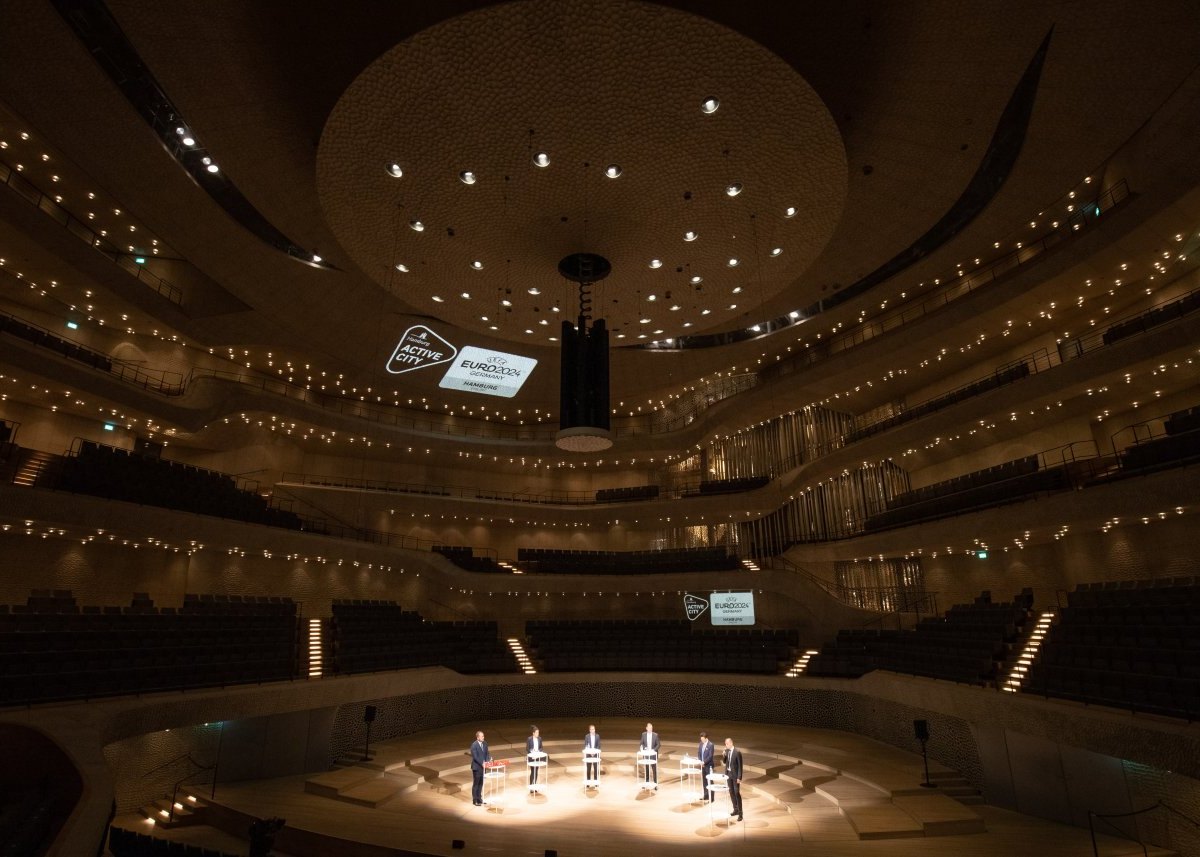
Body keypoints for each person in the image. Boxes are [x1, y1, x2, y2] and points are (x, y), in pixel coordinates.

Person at [723, 737, 743, 821]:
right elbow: (724, 762)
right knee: (731, 792)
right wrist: (724, 754)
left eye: (727, 744)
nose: (726, 745)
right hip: (729, 775)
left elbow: (740, 766)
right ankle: (735, 809)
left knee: (736, 793)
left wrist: (739, 777)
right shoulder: (727, 751)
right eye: (725, 744)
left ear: (731, 743)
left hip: (735, 776)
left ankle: (740, 813)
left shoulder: (737, 752)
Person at [470, 731, 490, 806]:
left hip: (484, 767)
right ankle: (475, 800)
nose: (483, 737)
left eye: (483, 736)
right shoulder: (474, 745)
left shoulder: (485, 743)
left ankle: (479, 798)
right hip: (477, 767)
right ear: (477, 737)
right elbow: (475, 757)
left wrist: (488, 761)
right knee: (476, 784)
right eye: (481, 736)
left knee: (481, 783)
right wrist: (482, 763)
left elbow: (487, 753)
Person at [639, 722, 661, 788]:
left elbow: (659, 744)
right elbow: (641, 743)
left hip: (653, 755)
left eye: (651, 728)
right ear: (646, 728)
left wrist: (653, 750)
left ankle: (655, 784)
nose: (650, 729)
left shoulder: (655, 735)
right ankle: (647, 783)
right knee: (647, 769)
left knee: (654, 770)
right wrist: (642, 748)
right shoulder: (643, 734)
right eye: (649, 728)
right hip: (646, 755)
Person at [697, 731, 715, 801]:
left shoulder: (711, 745)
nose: (702, 740)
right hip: (703, 765)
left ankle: (712, 797)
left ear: (706, 738)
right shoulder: (701, 743)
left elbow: (710, 756)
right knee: (704, 781)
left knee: (710, 781)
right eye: (701, 739)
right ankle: (705, 795)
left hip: (708, 765)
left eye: (703, 739)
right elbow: (699, 753)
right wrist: (700, 761)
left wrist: (704, 762)